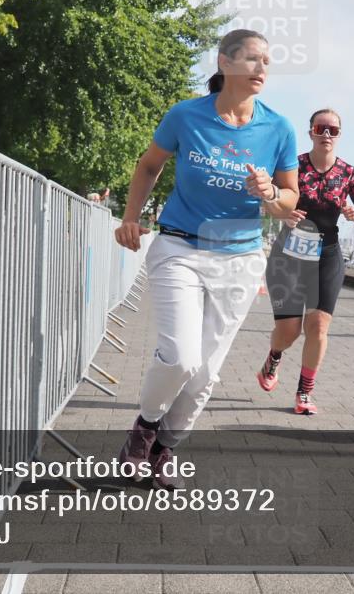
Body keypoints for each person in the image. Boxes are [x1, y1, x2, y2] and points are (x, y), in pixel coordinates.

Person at [113, 29, 298, 490]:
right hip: (180, 246)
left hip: (239, 258)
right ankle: (144, 428)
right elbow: (149, 165)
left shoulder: (278, 128)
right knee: (179, 357)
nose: (261, 69)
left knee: (207, 373)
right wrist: (131, 218)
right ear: (225, 62)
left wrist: (270, 193)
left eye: (267, 62)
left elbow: (289, 201)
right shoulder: (186, 116)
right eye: (253, 59)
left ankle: (165, 449)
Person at [257, 109, 354, 415]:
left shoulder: (349, 173)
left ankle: (304, 393)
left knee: (319, 325)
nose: (326, 134)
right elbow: (268, 202)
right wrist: (283, 212)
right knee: (290, 331)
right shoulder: (292, 167)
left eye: (333, 130)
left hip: (327, 254)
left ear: (339, 135)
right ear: (310, 131)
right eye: (320, 128)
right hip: (290, 254)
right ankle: (274, 357)